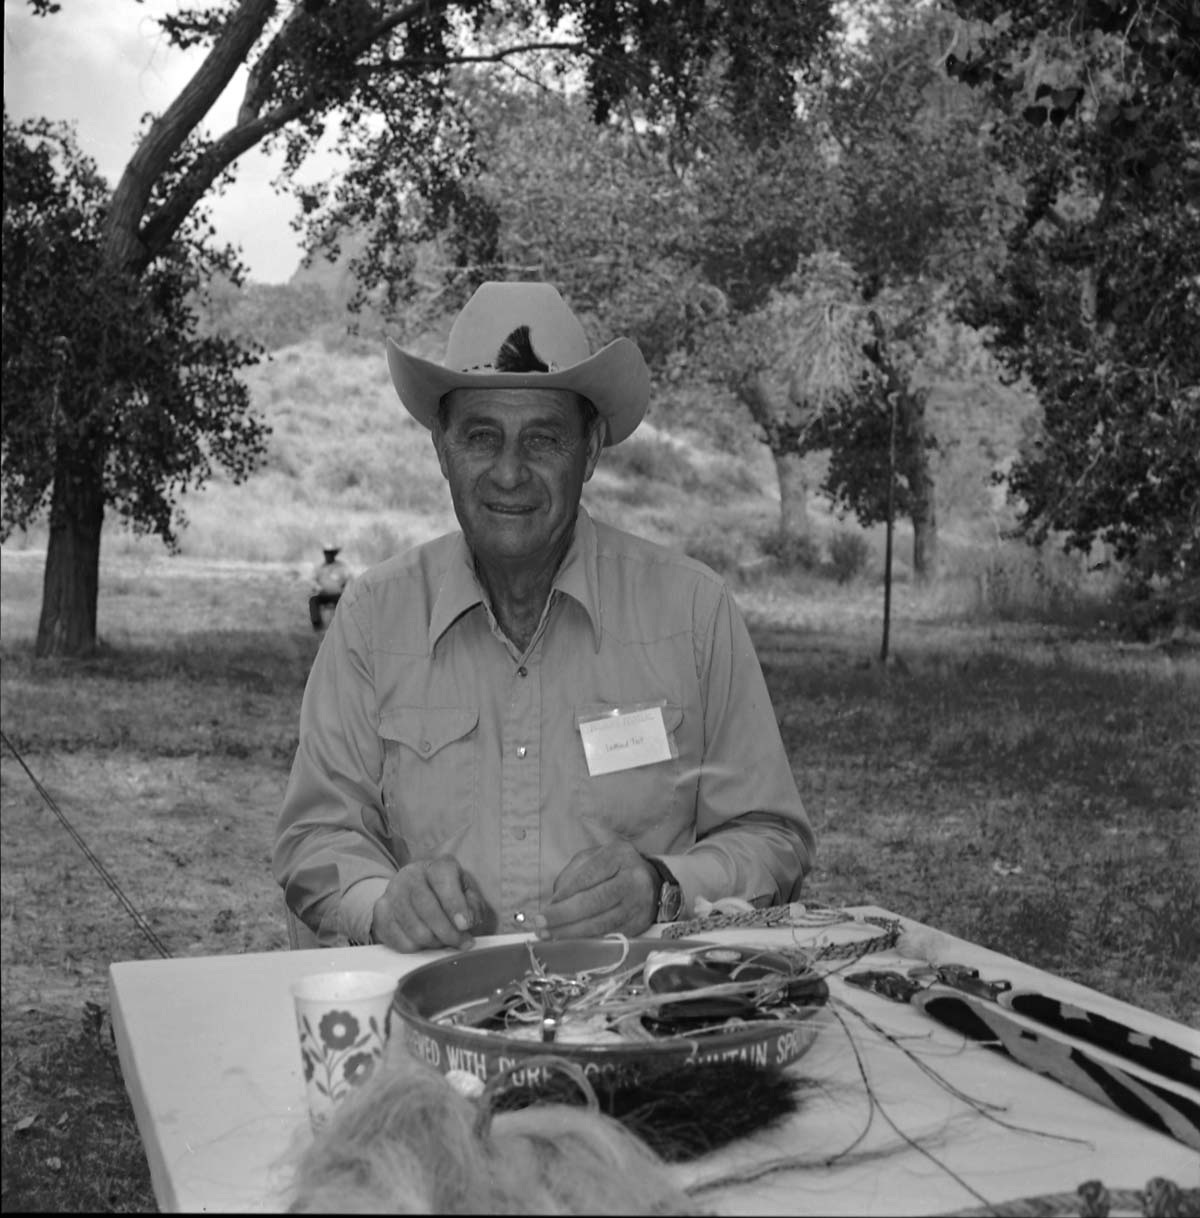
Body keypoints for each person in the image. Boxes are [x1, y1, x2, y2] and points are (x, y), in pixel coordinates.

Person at [274, 282, 815, 951]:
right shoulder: (372, 620)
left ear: (587, 453)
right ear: (442, 451)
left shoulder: (692, 613)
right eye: (480, 437)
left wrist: (663, 886)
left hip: (634, 1022)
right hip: (430, 1013)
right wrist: (385, 903)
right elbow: (315, 838)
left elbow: (773, 838)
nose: (508, 472)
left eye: (542, 439)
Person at [308, 545, 351, 631]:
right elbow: (312, 580)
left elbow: (349, 580)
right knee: (313, 600)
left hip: (337, 595)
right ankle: (317, 623)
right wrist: (318, 587)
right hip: (323, 594)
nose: (328, 555)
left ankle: (342, 624)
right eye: (326, 553)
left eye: (330, 553)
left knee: (343, 602)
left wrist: (345, 590)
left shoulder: (342, 567)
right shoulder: (319, 567)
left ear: (334, 555)